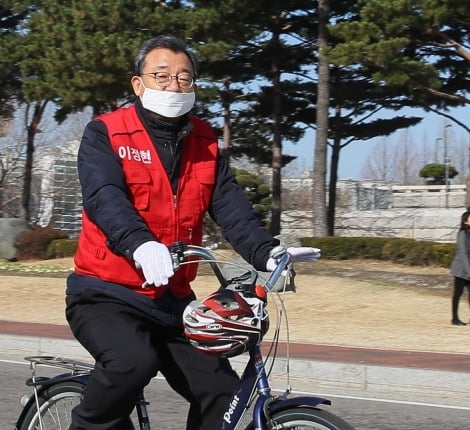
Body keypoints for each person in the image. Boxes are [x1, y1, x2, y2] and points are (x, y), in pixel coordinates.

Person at [65, 35, 320, 430]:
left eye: (184, 77)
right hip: (105, 293)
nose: (174, 85)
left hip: (171, 299)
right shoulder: (106, 132)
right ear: (138, 84)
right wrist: (140, 244)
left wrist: (267, 252)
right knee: (132, 363)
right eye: (162, 76)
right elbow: (104, 197)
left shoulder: (204, 140)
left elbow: (230, 207)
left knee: (222, 392)